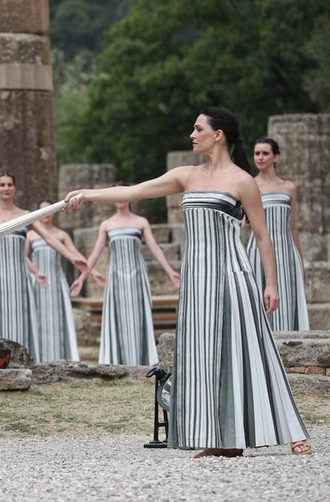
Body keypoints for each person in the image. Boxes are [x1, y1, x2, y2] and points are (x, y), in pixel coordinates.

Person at [64, 107, 312, 458]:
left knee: (254, 351)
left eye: (198, 129)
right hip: (196, 282)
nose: (192, 135)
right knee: (203, 357)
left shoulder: (242, 181)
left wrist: (271, 284)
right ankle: (221, 440)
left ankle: (292, 431)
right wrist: (87, 193)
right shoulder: (186, 175)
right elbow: (135, 191)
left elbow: (262, 235)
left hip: (232, 276)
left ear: (218, 135)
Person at [0, 173, 89, 361]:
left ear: (14, 188)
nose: (6, 188)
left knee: (22, 319)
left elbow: (49, 238)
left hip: (21, 278)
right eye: (2, 185)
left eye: (10, 184)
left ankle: (24, 361)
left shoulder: (26, 215)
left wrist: (73, 258)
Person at [69, 185, 180, 366]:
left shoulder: (141, 222)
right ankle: (118, 362)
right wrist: (82, 278)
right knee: (118, 317)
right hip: (116, 277)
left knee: (138, 316)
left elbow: (154, 248)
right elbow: (95, 253)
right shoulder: (106, 225)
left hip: (137, 276)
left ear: (130, 197)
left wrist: (171, 272)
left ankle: (142, 361)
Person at [246, 138, 309, 331]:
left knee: (287, 300)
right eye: (257, 153)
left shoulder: (289, 188)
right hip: (257, 251)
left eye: (265, 153)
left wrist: (300, 260)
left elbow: (292, 227)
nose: (260, 157)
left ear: (276, 157)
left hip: (286, 253)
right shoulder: (249, 185)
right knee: (258, 302)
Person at [25, 200, 82, 362]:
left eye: (50, 210)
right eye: (43, 210)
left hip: (57, 283)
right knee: (38, 321)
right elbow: (24, 257)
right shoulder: (31, 235)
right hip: (38, 283)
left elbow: (76, 256)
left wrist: (87, 272)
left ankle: (60, 358)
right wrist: (36, 272)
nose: (47, 214)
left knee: (58, 320)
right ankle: (37, 358)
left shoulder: (62, 235)